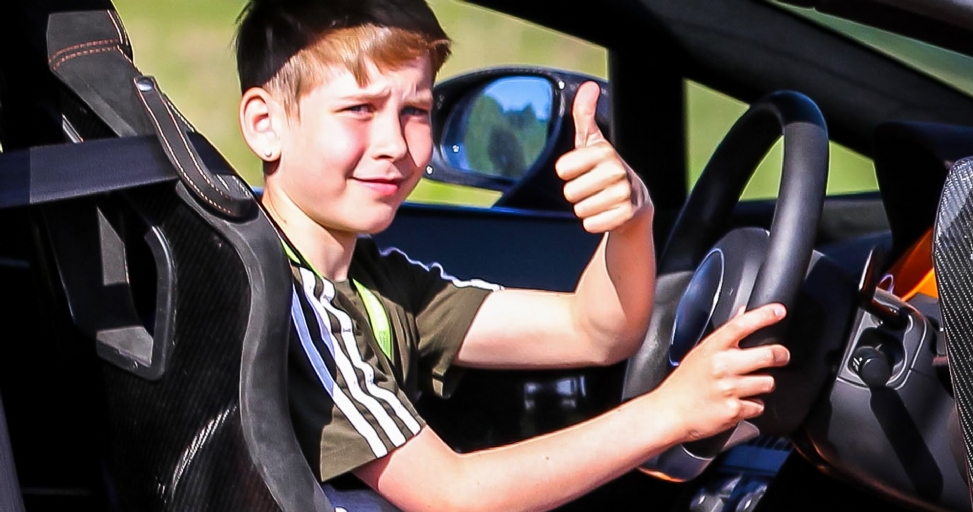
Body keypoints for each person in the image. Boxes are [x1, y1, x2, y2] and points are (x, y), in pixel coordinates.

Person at [233, 0, 790, 509]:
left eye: (416, 111)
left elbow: (595, 331)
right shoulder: (291, 299)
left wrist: (630, 222)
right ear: (265, 125)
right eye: (359, 108)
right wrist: (669, 414)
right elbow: (453, 496)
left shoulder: (372, 281)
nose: (396, 145)